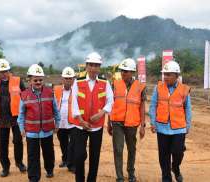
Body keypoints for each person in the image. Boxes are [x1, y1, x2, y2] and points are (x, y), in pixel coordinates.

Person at [70, 52, 114, 182]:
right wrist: (81, 120)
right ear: (86, 66)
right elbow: (74, 102)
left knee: (95, 157)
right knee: (79, 156)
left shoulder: (105, 83)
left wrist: (101, 113)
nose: (93, 68)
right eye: (91, 65)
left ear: (99, 67)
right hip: (80, 125)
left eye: (96, 65)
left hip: (97, 126)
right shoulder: (78, 82)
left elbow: (110, 101)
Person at [149, 61, 192, 182]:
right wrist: (152, 122)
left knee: (178, 152)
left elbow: (188, 108)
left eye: (169, 74)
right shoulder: (158, 88)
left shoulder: (184, 90)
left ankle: (176, 167)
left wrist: (187, 124)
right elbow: (153, 105)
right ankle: (166, 178)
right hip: (162, 127)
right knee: (163, 156)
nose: (165, 77)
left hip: (179, 128)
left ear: (176, 76)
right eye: (164, 74)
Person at [17, 64, 60, 182]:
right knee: (32, 156)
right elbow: (21, 114)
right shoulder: (24, 95)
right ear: (30, 80)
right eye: (35, 80)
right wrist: (21, 128)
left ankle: (49, 169)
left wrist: (57, 124)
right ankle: (34, 178)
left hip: (47, 130)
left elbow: (56, 110)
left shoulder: (50, 92)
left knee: (48, 153)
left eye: (40, 80)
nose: (38, 82)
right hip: (31, 132)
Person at [108, 58, 146, 182]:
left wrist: (142, 126)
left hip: (132, 123)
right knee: (118, 149)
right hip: (117, 122)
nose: (123, 73)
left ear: (133, 72)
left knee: (132, 149)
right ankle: (119, 176)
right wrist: (109, 122)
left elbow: (142, 106)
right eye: (122, 71)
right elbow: (110, 104)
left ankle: (131, 173)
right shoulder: (115, 84)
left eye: (126, 71)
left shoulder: (140, 87)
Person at [0, 58, 26, 177]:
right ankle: (5, 167)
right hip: (1, 119)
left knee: (18, 141)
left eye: (6, 71)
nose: (4, 74)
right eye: (1, 71)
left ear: (9, 70)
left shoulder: (18, 81)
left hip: (16, 118)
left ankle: (19, 163)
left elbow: (25, 97)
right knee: (3, 144)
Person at [54, 66, 76, 173]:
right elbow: (54, 105)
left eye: (70, 78)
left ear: (73, 79)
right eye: (66, 78)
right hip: (60, 123)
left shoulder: (77, 90)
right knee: (63, 143)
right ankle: (65, 160)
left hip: (72, 123)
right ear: (62, 79)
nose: (68, 80)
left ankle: (71, 163)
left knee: (72, 144)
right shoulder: (57, 89)